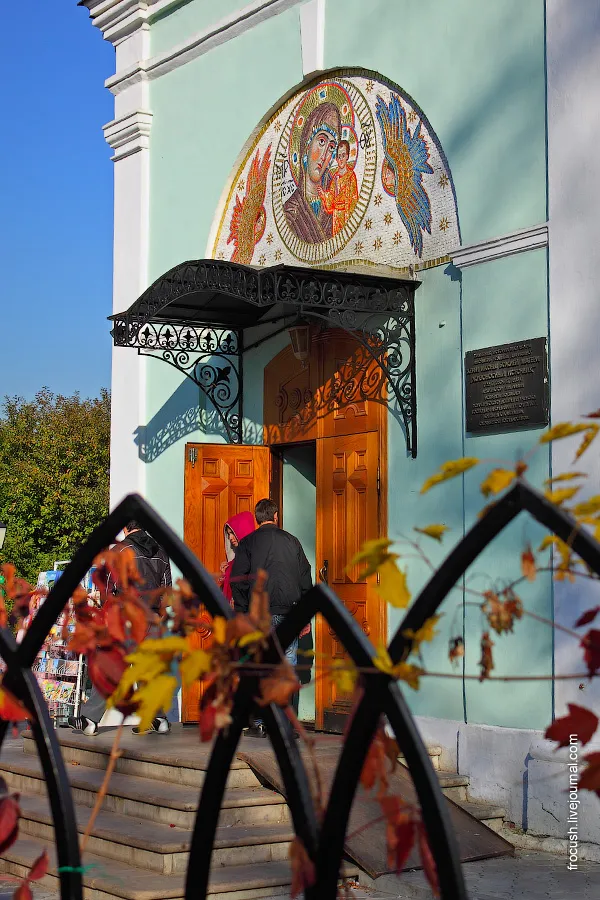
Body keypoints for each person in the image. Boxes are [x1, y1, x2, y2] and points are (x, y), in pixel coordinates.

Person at [67, 520, 173, 736]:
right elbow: (167, 594)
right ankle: (159, 718)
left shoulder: (119, 550)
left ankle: (89, 719)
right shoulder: (161, 551)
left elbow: (107, 590)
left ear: (125, 527)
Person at [231, 498, 312, 737]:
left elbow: (238, 581)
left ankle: (261, 722)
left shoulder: (247, 543)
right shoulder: (293, 542)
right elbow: (305, 580)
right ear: (276, 516)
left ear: (257, 518)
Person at [283, 101, 341, 244]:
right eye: (321, 141)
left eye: (332, 147)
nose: (325, 154)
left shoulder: (335, 202)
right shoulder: (291, 214)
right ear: (307, 145)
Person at [320, 139, 359, 235]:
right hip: (336, 217)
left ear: (347, 156)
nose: (341, 159)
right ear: (336, 159)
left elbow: (353, 200)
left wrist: (349, 219)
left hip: (347, 216)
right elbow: (331, 200)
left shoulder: (351, 176)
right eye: (339, 156)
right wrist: (324, 195)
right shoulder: (335, 178)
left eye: (343, 155)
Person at [219, 512, 256, 606]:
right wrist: (225, 574)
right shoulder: (232, 563)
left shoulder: (255, 559)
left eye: (233, 533)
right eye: (228, 534)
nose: (230, 538)